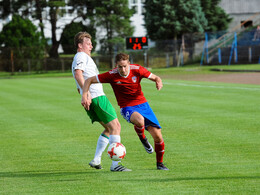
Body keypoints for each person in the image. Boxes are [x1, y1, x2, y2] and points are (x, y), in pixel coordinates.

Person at [81, 53, 169, 170]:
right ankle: (142, 137)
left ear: (129, 64)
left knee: (158, 136)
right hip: (127, 107)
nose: (122, 69)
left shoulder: (137, 69)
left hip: (143, 105)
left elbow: (155, 77)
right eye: (120, 67)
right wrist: (85, 95)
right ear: (116, 65)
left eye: (125, 66)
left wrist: (158, 81)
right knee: (139, 120)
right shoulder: (112, 75)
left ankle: (160, 164)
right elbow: (89, 80)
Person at [72, 32, 131, 172]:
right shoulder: (81, 56)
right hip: (96, 97)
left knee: (109, 129)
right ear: (80, 45)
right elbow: (78, 73)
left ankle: (96, 160)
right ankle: (116, 165)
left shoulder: (83, 57)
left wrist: (84, 93)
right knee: (116, 126)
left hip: (92, 97)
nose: (91, 46)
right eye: (88, 43)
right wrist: (86, 93)